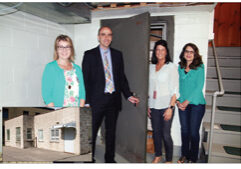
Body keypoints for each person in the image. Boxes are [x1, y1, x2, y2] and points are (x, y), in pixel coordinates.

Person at [82, 26, 140, 163]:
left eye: (109, 35)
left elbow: (121, 77)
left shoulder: (117, 55)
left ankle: (110, 159)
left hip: (113, 100)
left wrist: (128, 95)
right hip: (96, 101)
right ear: (98, 37)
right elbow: (86, 80)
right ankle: (89, 159)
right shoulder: (89, 55)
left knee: (111, 132)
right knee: (91, 132)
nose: (106, 37)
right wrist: (87, 102)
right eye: (103, 34)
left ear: (112, 37)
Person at [148, 40, 179, 163]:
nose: (159, 52)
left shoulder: (171, 67)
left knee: (166, 134)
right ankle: (158, 155)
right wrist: (148, 106)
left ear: (166, 52)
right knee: (156, 133)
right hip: (154, 105)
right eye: (157, 49)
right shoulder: (151, 67)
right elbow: (149, 88)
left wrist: (170, 108)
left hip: (167, 105)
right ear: (154, 52)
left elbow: (175, 90)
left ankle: (169, 160)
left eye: (162, 50)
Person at [176, 43, 206, 163]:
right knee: (184, 130)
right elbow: (178, 85)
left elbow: (199, 87)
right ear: (183, 53)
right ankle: (184, 155)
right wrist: (178, 101)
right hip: (182, 104)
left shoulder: (200, 67)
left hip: (197, 104)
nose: (188, 54)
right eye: (186, 51)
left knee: (193, 132)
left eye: (191, 52)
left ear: (195, 54)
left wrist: (186, 101)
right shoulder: (180, 67)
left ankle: (193, 158)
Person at [42, 35, 85, 107]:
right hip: (58, 112)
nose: (64, 50)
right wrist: (56, 112)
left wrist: (80, 111)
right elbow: (47, 95)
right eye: (60, 47)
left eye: (67, 47)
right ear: (56, 50)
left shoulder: (77, 69)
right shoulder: (50, 67)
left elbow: (82, 93)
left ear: (71, 49)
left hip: (76, 112)